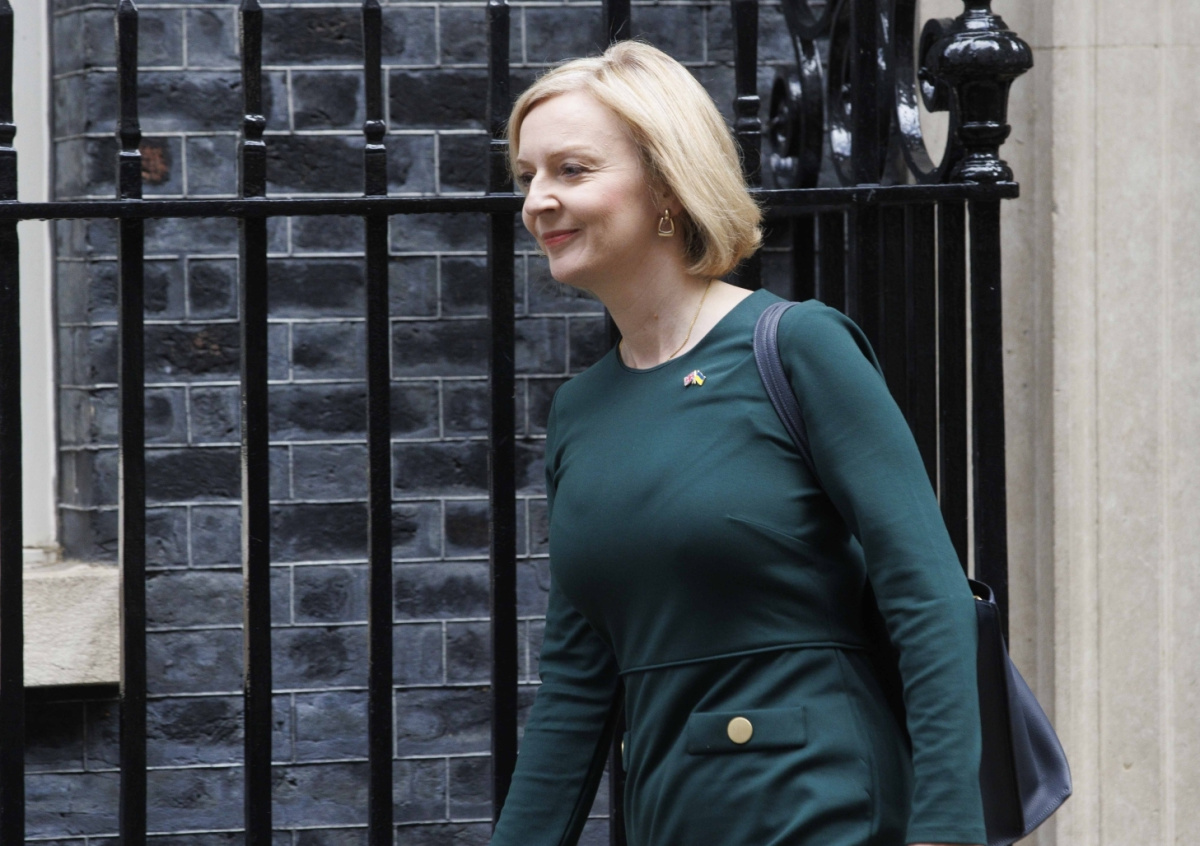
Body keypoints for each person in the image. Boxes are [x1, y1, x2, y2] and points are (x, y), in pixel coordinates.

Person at [489, 40, 986, 846]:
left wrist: (947, 830)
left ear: (666, 184)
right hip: (673, 819)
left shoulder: (796, 346)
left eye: (571, 170)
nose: (538, 200)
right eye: (527, 176)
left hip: (824, 808)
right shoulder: (582, 410)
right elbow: (578, 684)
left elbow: (927, 596)